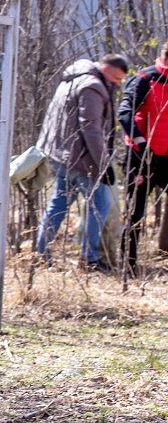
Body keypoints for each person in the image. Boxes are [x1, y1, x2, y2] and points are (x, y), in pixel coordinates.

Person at [36, 54, 129, 272]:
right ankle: (90, 258)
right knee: (100, 205)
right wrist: (104, 165)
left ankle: (40, 252)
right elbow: (91, 129)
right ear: (105, 69)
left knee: (59, 203)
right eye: (116, 78)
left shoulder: (74, 78)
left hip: (62, 154)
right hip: (81, 158)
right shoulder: (93, 87)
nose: (118, 83)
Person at [117, 40, 168, 276]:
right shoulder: (144, 79)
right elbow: (125, 113)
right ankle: (128, 265)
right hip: (142, 156)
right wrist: (140, 142)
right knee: (135, 212)